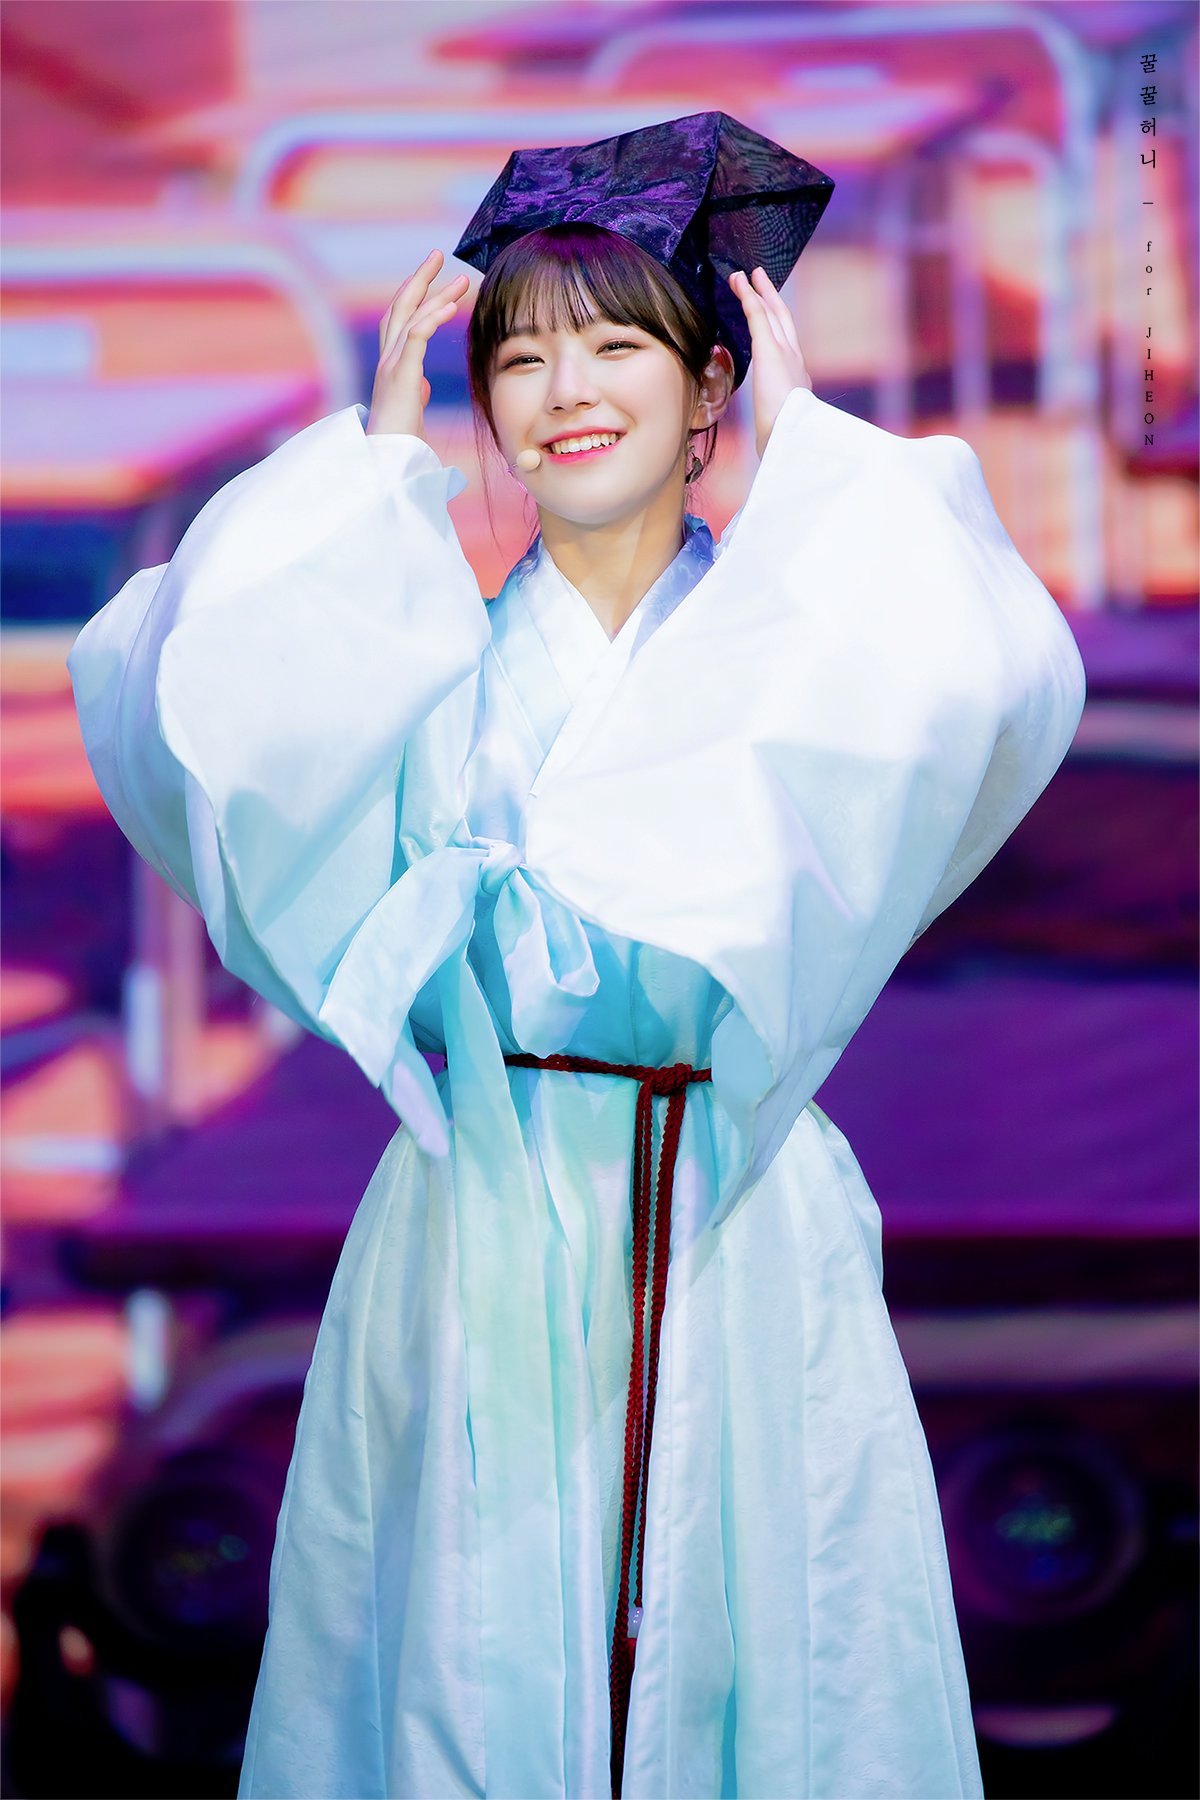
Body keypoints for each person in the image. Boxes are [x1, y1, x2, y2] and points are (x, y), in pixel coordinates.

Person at [68, 112, 1086, 1800]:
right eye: (521, 358)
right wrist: (367, 477)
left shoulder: (791, 646)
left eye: (618, 346)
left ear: (708, 387)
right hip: (481, 1199)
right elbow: (198, 711)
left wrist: (811, 446)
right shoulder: (416, 657)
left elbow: (979, 673)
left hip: (727, 1201)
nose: (565, 390)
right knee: (460, 1668)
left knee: (766, 1651)